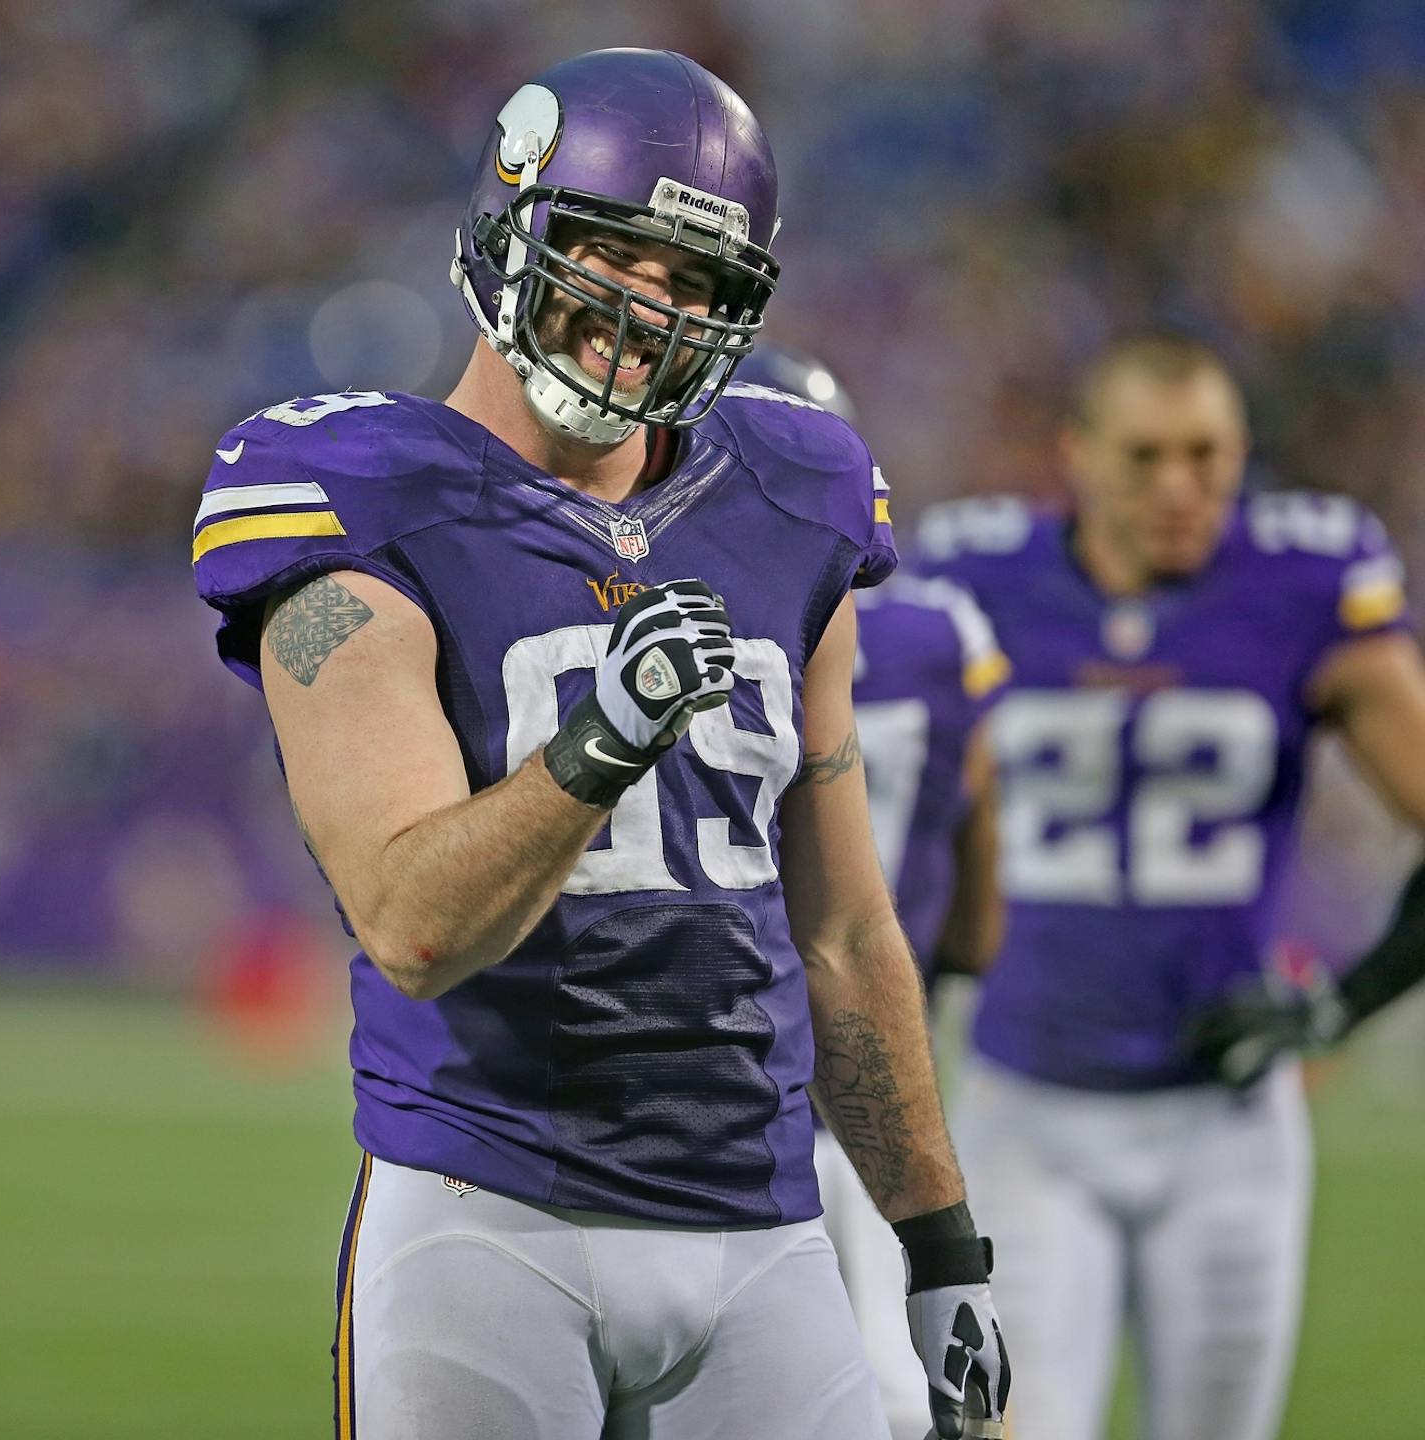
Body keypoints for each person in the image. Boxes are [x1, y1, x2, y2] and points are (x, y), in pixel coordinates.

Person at [191, 49, 1008, 1439]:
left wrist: (940, 1245)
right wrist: (600, 741)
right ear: (514, 230)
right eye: (615, 255)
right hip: (487, 1210)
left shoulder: (795, 494)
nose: (650, 311)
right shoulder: (348, 489)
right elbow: (410, 922)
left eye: (697, 284)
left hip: (764, 1224)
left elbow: (847, 930)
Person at [917, 332, 1425, 1440]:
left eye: (1207, 454)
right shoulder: (973, 577)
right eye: (1145, 457)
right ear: (1078, 456)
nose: (1179, 486)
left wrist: (1350, 1000)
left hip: (1225, 1121)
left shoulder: (1301, 582)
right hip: (1028, 1107)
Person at [749, 347, 1010, 1440]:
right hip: (878, 1044)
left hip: (735, 1058)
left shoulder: (666, 610)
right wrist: (940, 982)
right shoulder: (943, 636)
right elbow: (981, 863)